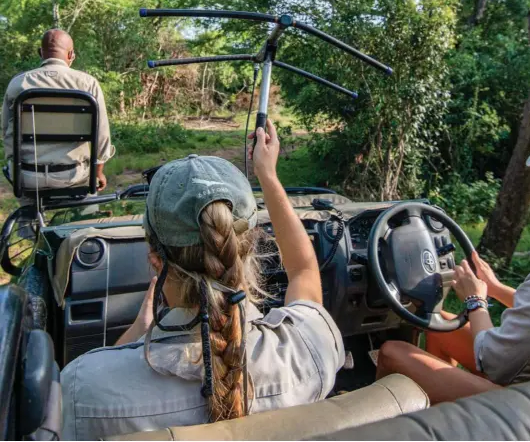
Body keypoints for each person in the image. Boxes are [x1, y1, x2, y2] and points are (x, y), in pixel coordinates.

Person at [60, 120, 345, 440]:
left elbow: (102, 375)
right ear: (248, 246)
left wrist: (138, 332)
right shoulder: (309, 348)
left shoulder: (84, 388)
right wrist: (268, 175)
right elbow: (304, 271)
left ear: (155, 260)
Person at [377, 130, 530, 404]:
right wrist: (495, 288)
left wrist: (475, 301)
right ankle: (445, 421)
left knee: (391, 352)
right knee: (440, 324)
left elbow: (490, 361)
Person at [2, 29, 115, 195]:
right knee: (86, 208)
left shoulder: (18, 84)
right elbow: (102, 134)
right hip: (73, 175)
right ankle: (83, 219)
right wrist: (98, 173)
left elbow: (5, 129)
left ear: (41, 53)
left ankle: (28, 220)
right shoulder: (87, 84)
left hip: (27, 176)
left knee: (27, 204)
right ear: (71, 55)